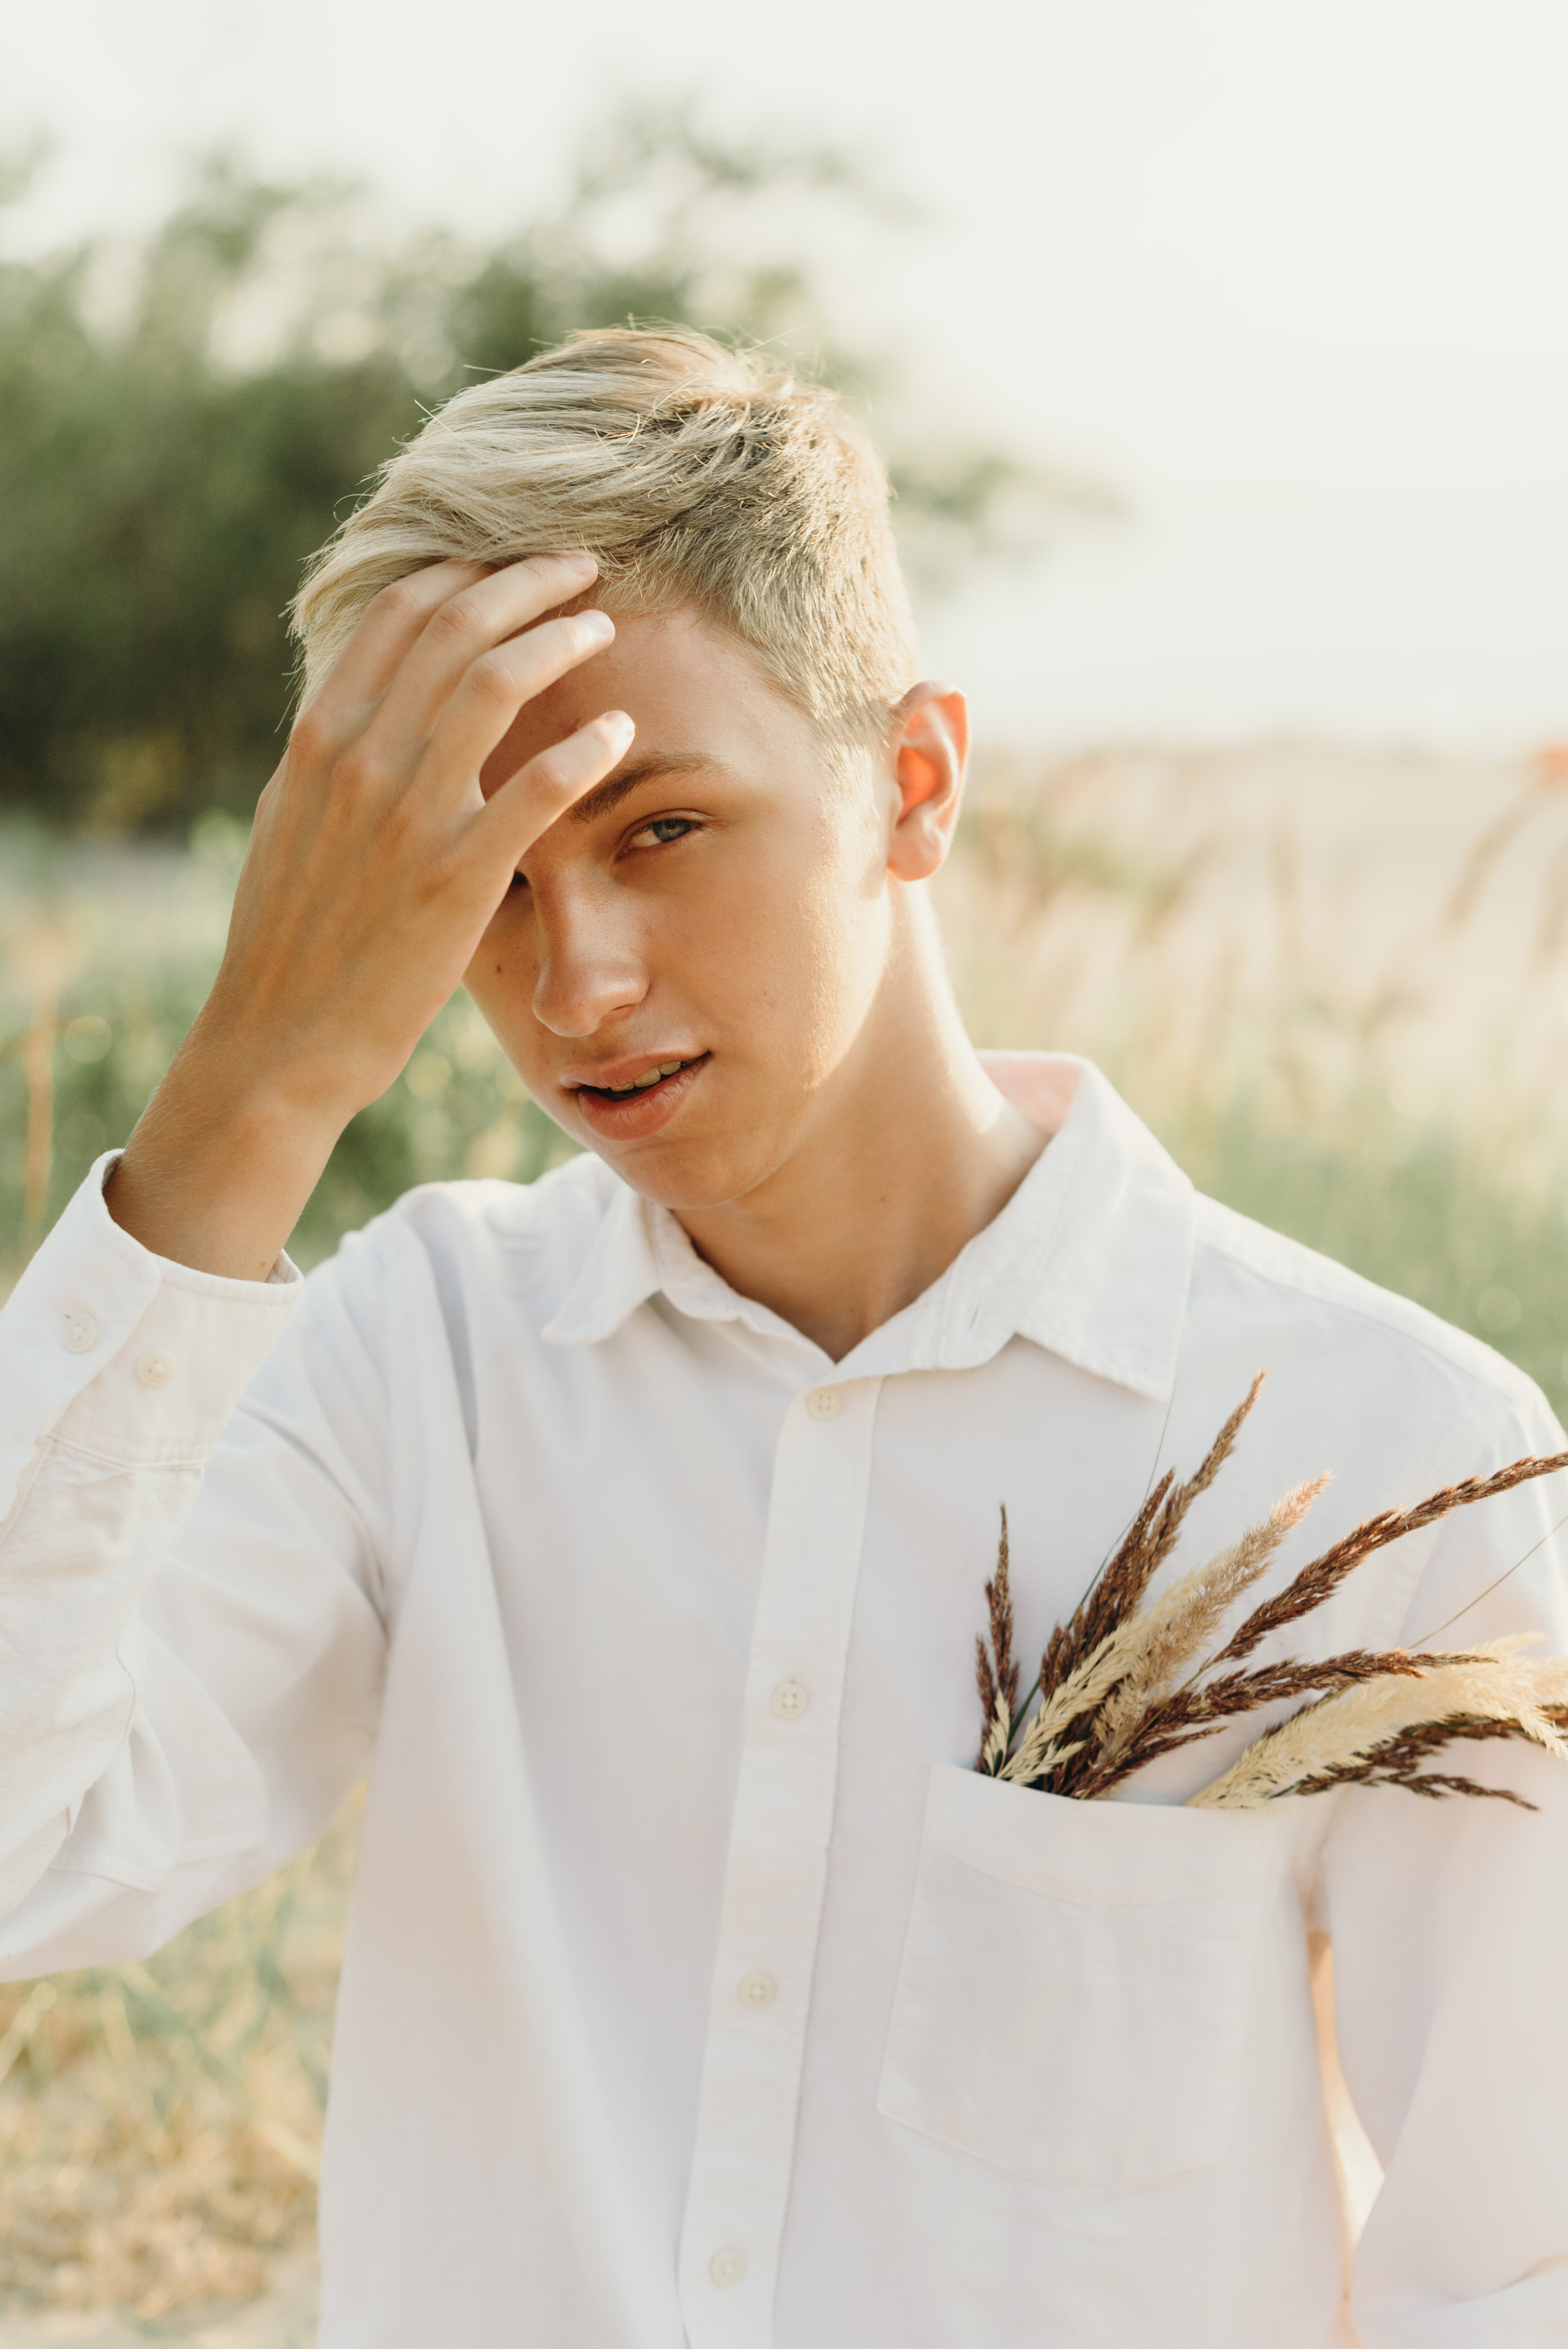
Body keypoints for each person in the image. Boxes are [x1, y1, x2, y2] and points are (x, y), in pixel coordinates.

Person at [1, 329, 1564, 2349]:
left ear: (912, 782)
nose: (576, 980)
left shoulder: (1389, 1455)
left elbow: (1515, 2271)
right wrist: (255, 1085)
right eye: (482, 877)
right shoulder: (423, 1357)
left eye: (658, 828)